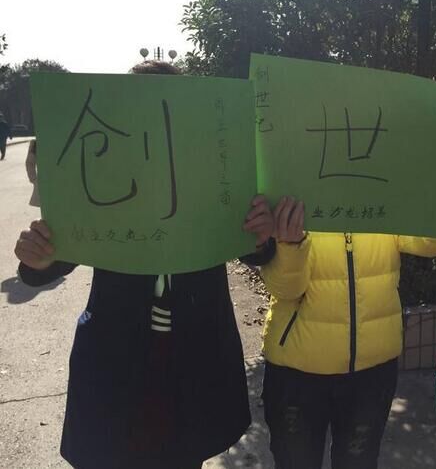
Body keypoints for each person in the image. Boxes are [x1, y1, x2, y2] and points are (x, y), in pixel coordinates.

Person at [13, 59, 276, 469]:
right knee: (116, 453)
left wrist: (262, 237)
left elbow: (252, 247)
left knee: (186, 454)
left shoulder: (211, 164)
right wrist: (39, 260)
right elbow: (60, 250)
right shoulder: (104, 168)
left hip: (196, 354)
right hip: (118, 357)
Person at [258, 123, 436, 469]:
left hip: (371, 368)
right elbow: (285, 289)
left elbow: (430, 241)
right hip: (297, 370)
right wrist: (290, 245)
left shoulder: (385, 187)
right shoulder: (289, 184)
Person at [26, 139, 40, 206]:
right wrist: (33, 179)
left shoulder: (36, 142)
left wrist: (33, 179)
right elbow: (30, 163)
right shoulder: (36, 143)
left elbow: (29, 163)